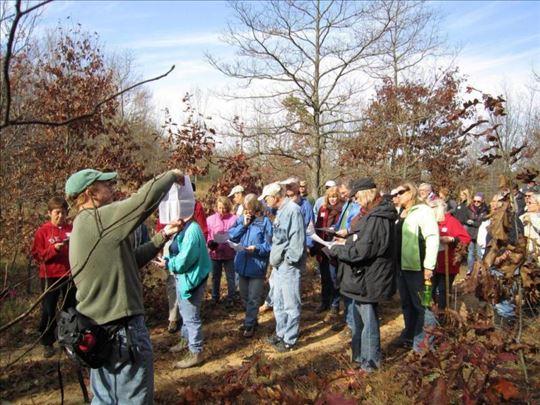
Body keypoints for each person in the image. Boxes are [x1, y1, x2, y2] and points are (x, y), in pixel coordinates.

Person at [66, 168, 184, 404]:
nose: (112, 188)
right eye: (106, 185)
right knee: (133, 399)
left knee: (106, 398)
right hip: (122, 333)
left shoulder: (84, 225)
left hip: (101, 331)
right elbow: (141, 202)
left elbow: (129, 260)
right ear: (91, 193)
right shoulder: (98, 219)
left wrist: (162, 237)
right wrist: (170, 175)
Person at [329, 178, 397, 372]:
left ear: (367, 193)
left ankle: (370, 364)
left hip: (370, 279)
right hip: (361, 278)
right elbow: (361, 243)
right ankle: (359, 358)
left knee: (368, 324)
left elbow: (363, 251)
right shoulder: (369, 215)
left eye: (357, 196)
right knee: (359, 321)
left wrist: (337, 250)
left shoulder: (377, 218)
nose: (355, 200)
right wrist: (346, 242)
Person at [161, 215, 211, 368]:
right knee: (183, 311)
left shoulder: (192, 230)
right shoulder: (183, 228)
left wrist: (169, 263)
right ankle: (185, 340)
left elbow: (184, 261)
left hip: (192, 279)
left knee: (191, 316)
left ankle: (196, 352)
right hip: (183, 278)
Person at [261, 183, 306, 352]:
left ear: (275, 196)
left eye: (267, 198)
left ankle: (290, 340)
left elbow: (296, 239)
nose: (265, 201)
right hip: (279, 265)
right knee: (278, 302)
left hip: (289, 266)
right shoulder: (280, 211)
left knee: (291, 304)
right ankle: (281, 333)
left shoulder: (293, 210)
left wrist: (289, 260)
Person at [31, 196, 76, 358]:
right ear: (49, 213)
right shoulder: (42, 232)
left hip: (70, 275)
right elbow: (38, 256)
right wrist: (54, 250)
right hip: (50, 276)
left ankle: (68, 340)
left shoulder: (72, 229)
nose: (60, 216)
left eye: (63, 213)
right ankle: (47, 342)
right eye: (57, 213)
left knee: (70, 310)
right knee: (49, 310)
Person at [397, 182, 440, 352]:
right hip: (403, 268)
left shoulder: (423, 211)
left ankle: (425, 347)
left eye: (401, 192)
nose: (398, 195)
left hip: (420, 269)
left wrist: (429, 266)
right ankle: (410, 337)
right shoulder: (401, 213)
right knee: (407, 304)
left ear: (411, 192)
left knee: (425, 306)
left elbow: (432, 237)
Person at [229, 194, 273, 337]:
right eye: (245, 210)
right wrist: (244, 225)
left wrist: (257, 248)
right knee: (244, 296)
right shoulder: (241, 219)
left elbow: (270, 244)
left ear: (255, 209)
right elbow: (231, 236)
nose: (247, 212)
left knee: (254, 297)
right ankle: (252, 320)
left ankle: (249, 325)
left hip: (257, 266)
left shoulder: (265, 222)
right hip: (242, 264)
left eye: (249, 210)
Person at [430, 199, 471, 310]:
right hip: (431, 264)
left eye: (433, 208)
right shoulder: (430, 222)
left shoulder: (451, 221)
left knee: (443, 290)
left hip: (447, 264)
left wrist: (452, 239)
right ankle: (428, 314)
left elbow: (465, 238)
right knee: (428, 289)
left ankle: (443, 314)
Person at [314, 186, 343, 314]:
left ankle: (335, 304)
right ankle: (324, 302)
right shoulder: (322, 208)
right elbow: (318, 225)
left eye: (335, 196)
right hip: (322, 246)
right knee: (324, 277)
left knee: (333, 277)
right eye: (331, 197)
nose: (333, 199)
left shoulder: (341, 210)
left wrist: (334, 231)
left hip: (333, 247)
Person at [206, 196, 237, 306]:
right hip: (215, 253)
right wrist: (210, 243)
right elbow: (208, 235)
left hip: (229, 252)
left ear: (228, 207)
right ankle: (215, 297)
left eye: (224, 208)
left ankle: (231, 297)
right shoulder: (210, 219)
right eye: (219, 207)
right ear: (216, 207)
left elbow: (236, 234)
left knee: (230, 277)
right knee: (215, 276)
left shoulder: (234, 219)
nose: (222, 210)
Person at [464, 192, 489, 275]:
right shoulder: (469, 208)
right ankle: (469, 269)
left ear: (482, 201)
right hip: (470, 233)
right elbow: (465, 219)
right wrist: (470, 222)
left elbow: (481, 223)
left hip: (480, 234)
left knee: (479, 253)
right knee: (470, 252)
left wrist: (472, 222)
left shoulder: (485, 210)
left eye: (478, 201)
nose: (476, 203)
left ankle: (480, 269)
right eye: (474, 201)